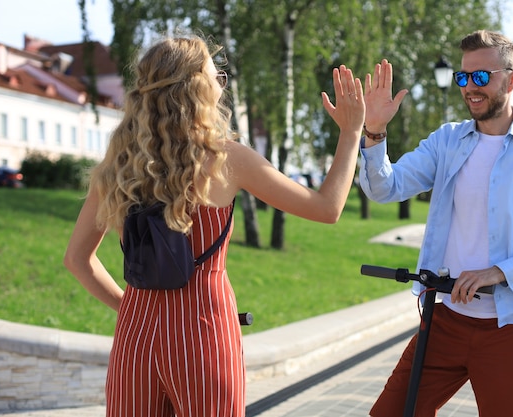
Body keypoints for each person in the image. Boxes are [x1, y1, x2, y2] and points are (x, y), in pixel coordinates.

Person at [63, 33, 364, 417]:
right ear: (197, 88)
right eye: (215, 75)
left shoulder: (118, 165)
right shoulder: (227, 159)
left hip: (136, 333)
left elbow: (77, 259)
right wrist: (352, 131)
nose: (221, 82)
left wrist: (130, 308)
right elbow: (327, 208)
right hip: (203, 330)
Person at [359, 30, 513, 417]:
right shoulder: (447, 140)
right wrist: (375, 132)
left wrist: (499, 272)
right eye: (463, 77)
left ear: (511, 80)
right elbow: (386, 188)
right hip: (445, 320)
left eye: (481, 77)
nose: (469, 87)